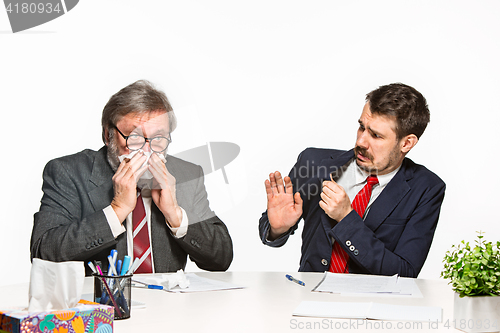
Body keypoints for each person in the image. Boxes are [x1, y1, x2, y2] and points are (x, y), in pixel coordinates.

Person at [31, 80, 233, 275]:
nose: (147, 149)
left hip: (168, 305)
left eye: (158, 138)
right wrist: (116, 210)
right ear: (108, 134)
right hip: (102, 306)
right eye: (134, 137)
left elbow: (221, 258)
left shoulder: (187, 174)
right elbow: (43, 252)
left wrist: (176, 215)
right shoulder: (68, 172)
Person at [259, 83, 445, 278]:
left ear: (406, 143)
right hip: (310, 296)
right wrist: (278, 229)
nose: (361, 142)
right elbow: (270, 231)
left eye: (375, 135)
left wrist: (346, 218)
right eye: (361, 127)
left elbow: (405, 273)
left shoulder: (426, 188)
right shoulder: (314, 163)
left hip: (375, 303)